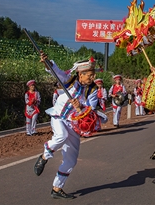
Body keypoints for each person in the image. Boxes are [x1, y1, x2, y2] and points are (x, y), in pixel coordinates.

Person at [33, 52, 108, 199]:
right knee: (61, 136)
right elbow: (57, 72)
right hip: (59, 117)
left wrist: (80, 106)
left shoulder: (92, 90)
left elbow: (91, 110)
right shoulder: (70, 81)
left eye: (93, 75)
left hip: (74, 123)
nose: (92, 78)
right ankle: (44, 156)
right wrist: (46, 62)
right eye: (89, 75)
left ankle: (56, 189)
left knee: (71, 160)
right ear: (80, 74)